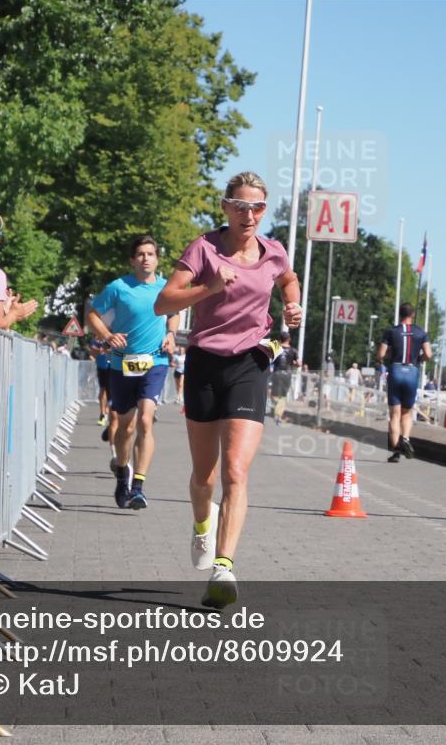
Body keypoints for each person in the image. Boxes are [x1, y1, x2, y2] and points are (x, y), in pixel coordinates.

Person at [155, 171, 301, 609]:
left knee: (236, 471)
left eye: (257, 207)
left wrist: (292, 303)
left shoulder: (273, 251)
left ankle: (224, 566)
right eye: (240, 206)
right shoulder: (203, 249)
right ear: (225, 207)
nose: (249, 214)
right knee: (205, 476)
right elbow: (164, 302)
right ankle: (203, 526)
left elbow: (287, 278)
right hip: (204, 363)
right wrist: (209, 288)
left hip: (250, 364)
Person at [87, 235, 179, 510]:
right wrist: (107, 334)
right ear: (132, 260)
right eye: (140, 254)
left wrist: (172, 334)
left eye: (150, 254)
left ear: (157, 258)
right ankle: (122, 472)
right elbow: (93, 313)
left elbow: (173, 311)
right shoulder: (118, 287)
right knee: (125, 426)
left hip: (156, 362)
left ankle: (138, 486)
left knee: (146, 421)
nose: (146, 258)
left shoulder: (165, 287)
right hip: (122, 364)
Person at [376, 302, 433, 463]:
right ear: (412, 315)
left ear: (400, 314)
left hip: (395, 370)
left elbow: (381, 354)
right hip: (412, 371)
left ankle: (395, 451)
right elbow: (429, 354)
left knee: (394, 414)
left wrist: (386, 361)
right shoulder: (421, 332)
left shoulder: (391, 332)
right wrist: (419, 359)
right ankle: (406, 438)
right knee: (407, 413)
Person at [270, 332, 300, 425]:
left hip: (277, 373)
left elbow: (270, 360)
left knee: (273, 395)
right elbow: (299, 364)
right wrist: (294, 362)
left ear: (280, 339)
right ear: (289, 339)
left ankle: (277, 411)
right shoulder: (293, 350)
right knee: (283, 396)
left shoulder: (275, 347)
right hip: (287, 374)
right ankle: (278, 416)